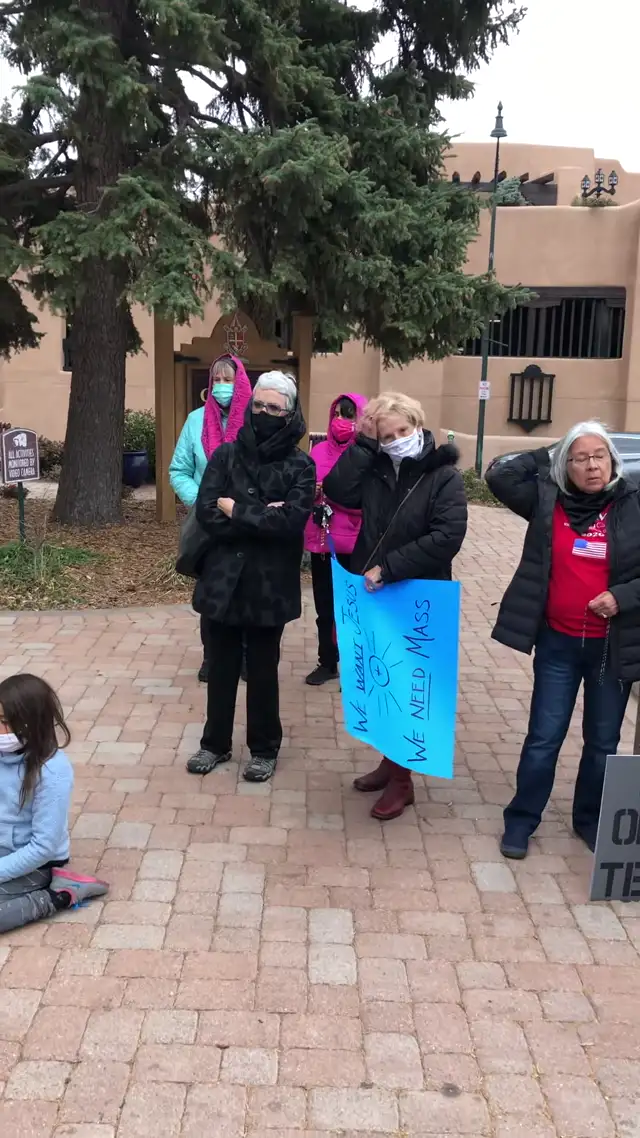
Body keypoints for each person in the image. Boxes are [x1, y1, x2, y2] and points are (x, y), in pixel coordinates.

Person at [486, 421, 640, 859]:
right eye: (580, 457)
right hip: (558, 644)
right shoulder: (546, 500)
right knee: (543, 737)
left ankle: (588, 819)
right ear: (565, 465)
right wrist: (556, 445)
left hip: (611, 647)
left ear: (612, 461)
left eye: (600, 456)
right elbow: (500, 476)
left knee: (602, 740)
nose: (592, 465)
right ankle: (521, 820)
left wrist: (622, 596)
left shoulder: (633, 503)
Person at [324, 391, 468, 820]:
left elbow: (447, 537)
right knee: (381, 685)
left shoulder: (443, 476)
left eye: (403, 431)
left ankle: (404, 782)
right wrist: (366, 445)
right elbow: (336, 489)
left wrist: (391, 567)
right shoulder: (375, 467)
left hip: (417, 593)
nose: (397, 440)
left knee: (409, 691)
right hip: (375, 592)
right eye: (387, 435)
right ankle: (390, 763)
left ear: (418, 426)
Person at [187, 371, 315, 783]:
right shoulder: (225, 456)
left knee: (262, 671)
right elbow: (207, 511)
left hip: (268, 585)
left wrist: (237, 509)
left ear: (289, 412)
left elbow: (291, 523)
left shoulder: (302, 465)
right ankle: (214, 744)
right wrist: (261, 516)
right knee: (220, 667)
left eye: (273, 407)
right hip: (222, 580)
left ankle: (264, 749)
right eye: (258, 405)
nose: (263, 413)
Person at [0, 673, 108, 935]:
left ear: (29, 724)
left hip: (36, 864)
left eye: (3, 721)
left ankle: (60, 895)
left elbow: (43, 847)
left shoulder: (53, 770)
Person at [169, 354, 253, 681]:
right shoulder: (195, 421)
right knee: (212, 593)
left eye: (227, 380)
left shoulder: (254, 422)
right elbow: (179, 470)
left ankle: (246, 657)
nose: (221, 386)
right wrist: (203, 501)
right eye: (216, 380)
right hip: (209, 526)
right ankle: (212, 657)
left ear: (241, 382)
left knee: (246, 592)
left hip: (246, 523)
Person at [304, 392, 368, 685]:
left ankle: (358, 667)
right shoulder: (317, 452)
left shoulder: (367, 455)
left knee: (353, 607)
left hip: (354, 543)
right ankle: (327, 662)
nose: (341, 421)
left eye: (349, 415)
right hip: (323, 540)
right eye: (338, 414)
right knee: (325, 607)